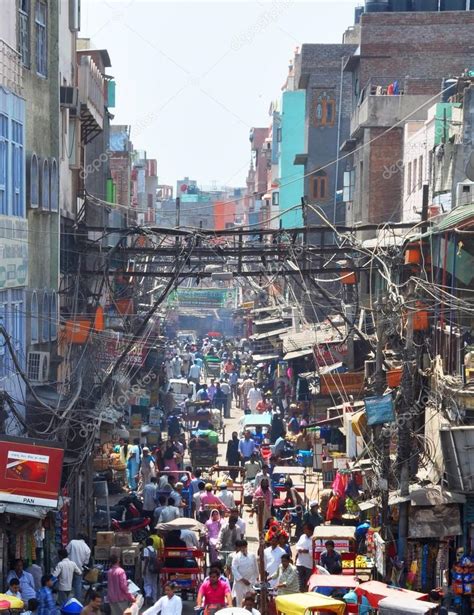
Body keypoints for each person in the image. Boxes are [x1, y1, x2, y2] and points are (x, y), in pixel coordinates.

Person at [231, 540, 259, 607]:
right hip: (240, 583)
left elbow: (255, 569)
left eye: (244, 547)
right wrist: (243, 580)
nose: (243, 549)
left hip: (250, 583)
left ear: (247, 546)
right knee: (239, 602)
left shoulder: (252, 555)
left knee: (251, 600)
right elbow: (234, 570)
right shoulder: (236, 557)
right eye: (241, 547)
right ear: (239, 548)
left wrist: (251, 580)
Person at [66, 534, 91, 600]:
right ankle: (77, 603)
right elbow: (86, 563)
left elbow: (66, 552)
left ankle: (66, 602)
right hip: (79, 570)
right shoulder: (87, 549)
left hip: (68, 568)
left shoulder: (72, 542)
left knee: (67, 586)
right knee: (78, 587)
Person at [295, 523, 314, 592]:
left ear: (310, 530)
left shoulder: (314, 538)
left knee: (308, 580)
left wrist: (307, 551)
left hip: (309, 564)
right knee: (299, 580)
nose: (304, 530)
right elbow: (297, 546)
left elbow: (315, 551)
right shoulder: (302, 536)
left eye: (305, 529)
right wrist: (299, 549)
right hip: (300, 562)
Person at [143, 537, 159, 605]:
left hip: (148, 568)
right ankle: (154, 600)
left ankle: (148, 595)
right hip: (155, 569)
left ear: (146, 543)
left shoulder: (146, 549)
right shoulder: (155, 550)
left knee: (147, 582)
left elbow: (146, 560)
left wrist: (144, 569)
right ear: (152, 543)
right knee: (154, 583)